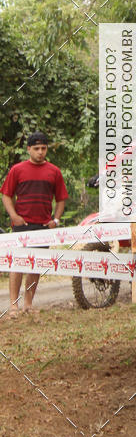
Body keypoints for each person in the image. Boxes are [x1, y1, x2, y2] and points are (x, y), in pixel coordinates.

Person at [1, 132, 69, 316]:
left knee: (36, 264)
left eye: (43, 148)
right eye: (36, 148)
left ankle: (28, 304)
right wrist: (14, 216)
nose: (40, 152)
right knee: (18, 264)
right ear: (28, 149)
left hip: (44, 226)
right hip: (22, 225)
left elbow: (61, 198)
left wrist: (55, 219)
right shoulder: (17, 170)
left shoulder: (54, 171)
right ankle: (13, 305)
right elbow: (6, 195)